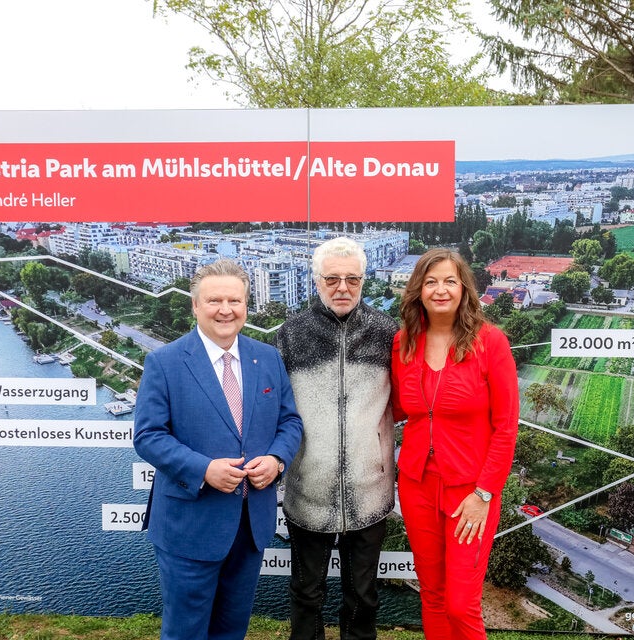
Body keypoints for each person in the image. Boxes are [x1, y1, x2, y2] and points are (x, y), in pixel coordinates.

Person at [133, 259, 303, 640]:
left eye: (235, 300)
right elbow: (148, 435)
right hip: (190, 526)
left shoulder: (269, 358)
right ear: (194, 305)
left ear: (246, 305)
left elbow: (290, 422)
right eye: (214, 301)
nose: (225, 310)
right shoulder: (165, 362)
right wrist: (203, 469)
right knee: (186, 631)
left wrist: (277, 460)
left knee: (232, 629)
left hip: (249, 525)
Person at [390, 248, 519, 640]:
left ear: (464, 288)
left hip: (470, 492)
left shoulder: (490, 342)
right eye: (431, 282)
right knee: (431, 594)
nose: (440, 290)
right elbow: (397, 408)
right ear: (418, 290)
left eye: (450, 281)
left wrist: (484, 493)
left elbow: (507, 426)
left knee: (461, 604)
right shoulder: (403, 343)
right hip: (416, 486)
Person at [276, 237, 399, 640]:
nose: (342, 287)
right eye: (332, 279)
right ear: (316, 281)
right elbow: (272, 408)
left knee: (363, 595)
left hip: (370, 489)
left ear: (364, 280)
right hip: (308, 486)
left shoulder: (387, 333)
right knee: (306, 592)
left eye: (352, 278)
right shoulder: (290, 335)